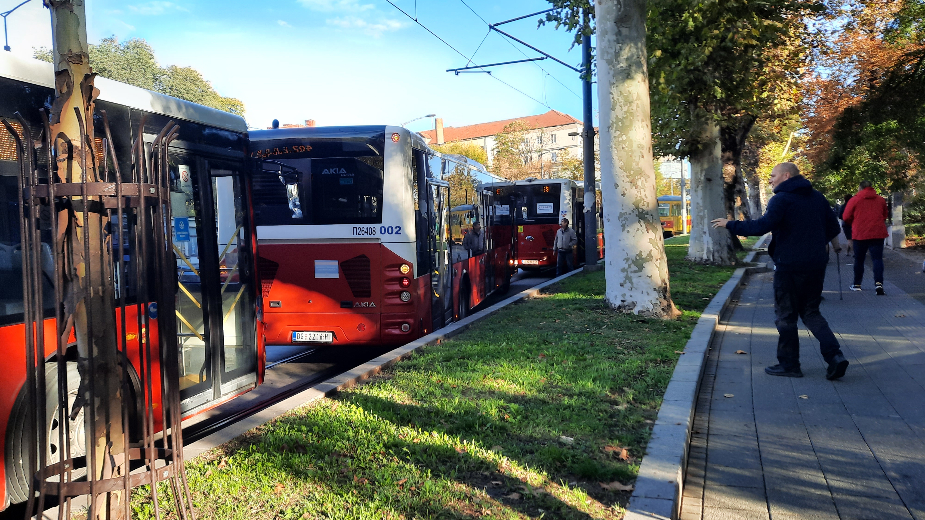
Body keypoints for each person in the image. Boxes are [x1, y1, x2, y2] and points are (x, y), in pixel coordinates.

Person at [711, 162, 849, 380]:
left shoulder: (782, 199)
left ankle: (789, 364)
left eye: (773, 175)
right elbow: (833, 228)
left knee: (785, 316)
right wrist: (811, 245)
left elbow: (760, 227)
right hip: (815, 264)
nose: (770, 180)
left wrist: (730, 224)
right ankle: (835, 356)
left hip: (789, 266)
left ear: (786, 176)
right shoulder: (817, 197)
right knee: (811, 312)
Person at [842, 181, 889, 295]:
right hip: (877, 233)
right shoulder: (881, 200)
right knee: (877, 259)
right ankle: (879, 284)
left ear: (860, 187)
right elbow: (885, 214)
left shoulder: (854, 200)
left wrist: (854, 223)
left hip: (860, 234)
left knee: (859, 259)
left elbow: (846, 216)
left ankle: (857, 284)